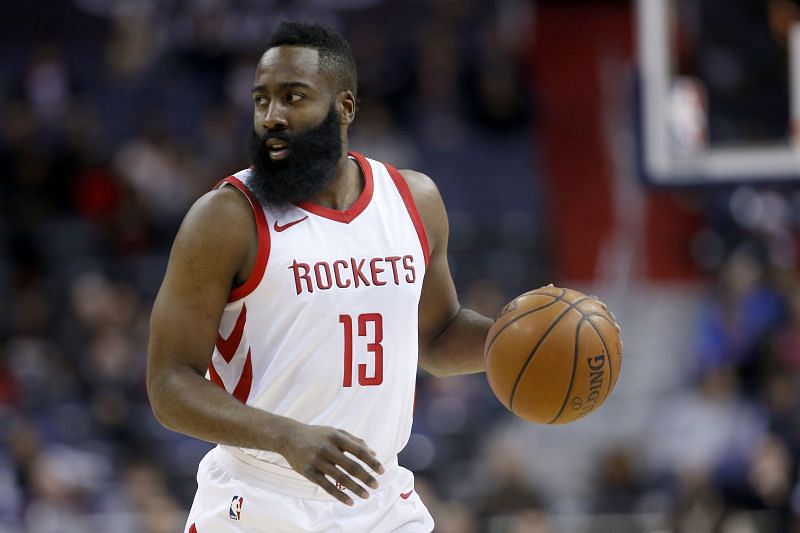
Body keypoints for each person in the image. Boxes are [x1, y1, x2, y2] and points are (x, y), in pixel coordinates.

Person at [146, 21, 493, 532]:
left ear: (345, 108)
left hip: (380, 503)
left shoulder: (413, 201)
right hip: (260, 499)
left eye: (294, 97)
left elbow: (437, 339)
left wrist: (512, 336)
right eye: (261, 100)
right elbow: (168, 383)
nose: (273, 117)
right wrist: (285, 436)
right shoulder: (226, 217)